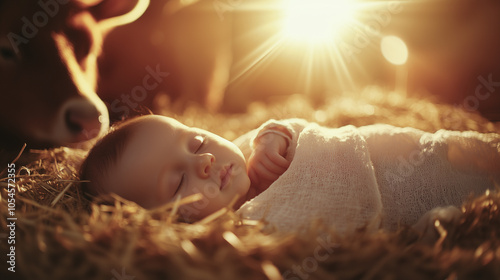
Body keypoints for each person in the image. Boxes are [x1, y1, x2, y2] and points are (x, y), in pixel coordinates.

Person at [80, 115, 500, 234]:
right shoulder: (243, 236)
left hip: (393, 156)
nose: (204, 161)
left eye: (195, 143)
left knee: (457, 157)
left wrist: (274, 140)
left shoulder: (250, 147)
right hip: (395, 208)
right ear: (164, 223)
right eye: (177, 182)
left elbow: (289, 126)